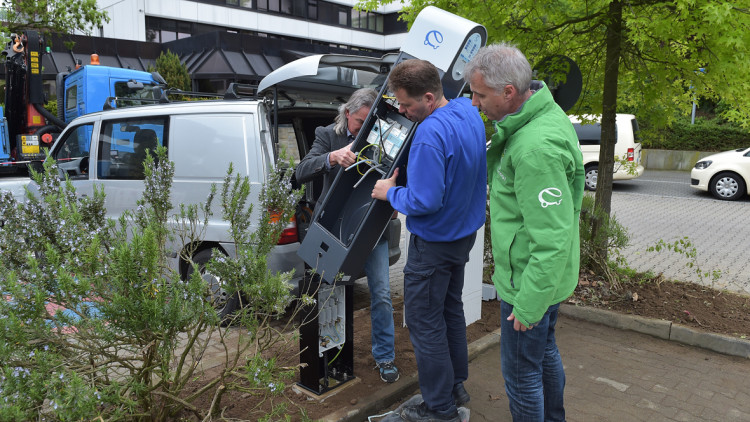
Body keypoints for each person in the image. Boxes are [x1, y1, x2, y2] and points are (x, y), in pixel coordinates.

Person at [463, 42, 584, 421]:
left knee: (521, 375)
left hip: (530, 286)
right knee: (544, 353)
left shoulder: (534, 149)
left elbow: (552, 239)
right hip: (541, 281)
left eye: (480, 94)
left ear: (509, 92)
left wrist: (528, 303)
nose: (473, 103)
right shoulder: (538, 117)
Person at [372, 59, 487, 422]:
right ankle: (454, 389)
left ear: (427, 96)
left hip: (434, 242)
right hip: (461, 238)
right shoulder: (469, 112)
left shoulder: (428, 134)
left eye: (406, 105)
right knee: (450, 311)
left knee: (425, 324)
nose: (402, 112)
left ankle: (439, 410)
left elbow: (424, 200)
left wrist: (389, 193)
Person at [295, 88, 399, 383]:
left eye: (370, 123)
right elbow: (302, 171)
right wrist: (330, 157)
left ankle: (385, 357)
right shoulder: (328, 134)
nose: (364, 129)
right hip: (334, 229)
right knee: (327, 296)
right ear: (347, 114)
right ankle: (326, 358)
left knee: (380, 295)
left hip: (371, 231)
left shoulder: (385, 137)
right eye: (359, 122)